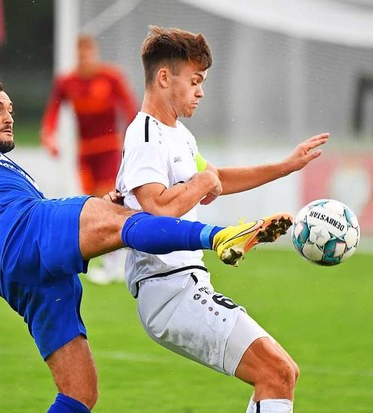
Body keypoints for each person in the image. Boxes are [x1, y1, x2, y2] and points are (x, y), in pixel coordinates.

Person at [0, 77, 295, 413]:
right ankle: (219, 235)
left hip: (26, 273)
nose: (8, 116)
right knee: (122, 221)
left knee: (80, 392)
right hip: (21, 232)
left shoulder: (10, 170)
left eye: (9, 109)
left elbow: (61, 221)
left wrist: (99, 211)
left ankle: (182, 229)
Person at [115, 26, 330, 413]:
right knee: (278, 372)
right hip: (166, 289)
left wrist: (286, 166)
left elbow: (218, 180)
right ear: (165, 77)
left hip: (186, 284)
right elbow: (156, 209)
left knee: (280, 374)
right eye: (195, 81)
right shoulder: (145, 135)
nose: (201, 91)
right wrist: (202, 181)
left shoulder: (178, 135)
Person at [40, 34, 138, 285]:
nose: (84, 58)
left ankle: (113, 263)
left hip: (108, 149)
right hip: (85, 152)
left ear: (94, 53)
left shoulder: (111, 77)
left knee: (106, 200)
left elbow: (130, 109)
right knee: (93, 204)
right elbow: (53, 111)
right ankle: (121, 251)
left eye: (88, 53)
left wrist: (136, 139)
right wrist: (49, 136)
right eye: (80, 54)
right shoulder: (67, 81)